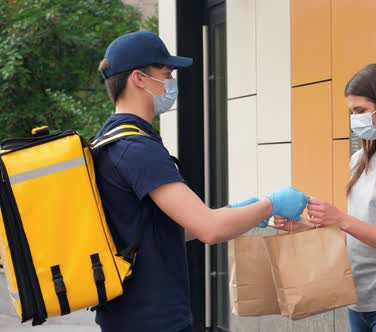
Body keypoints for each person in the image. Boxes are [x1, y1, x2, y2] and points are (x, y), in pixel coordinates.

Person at [93, 31, 308, 332]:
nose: (171, 82)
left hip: (129, 317)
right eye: (166, 73)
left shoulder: (107, 142)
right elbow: (210, 229)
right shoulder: (137, 148)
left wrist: (236, 211)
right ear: (139, 79)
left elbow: (159, 233)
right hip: (154, 320)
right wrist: (270, 204)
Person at [274, 64, 376, 332]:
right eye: (351, 112)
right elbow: (356, 236)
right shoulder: (359, 160)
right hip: (357, 304)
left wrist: (341, 219)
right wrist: (301, 227)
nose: (355, 119)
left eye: (360, 111)